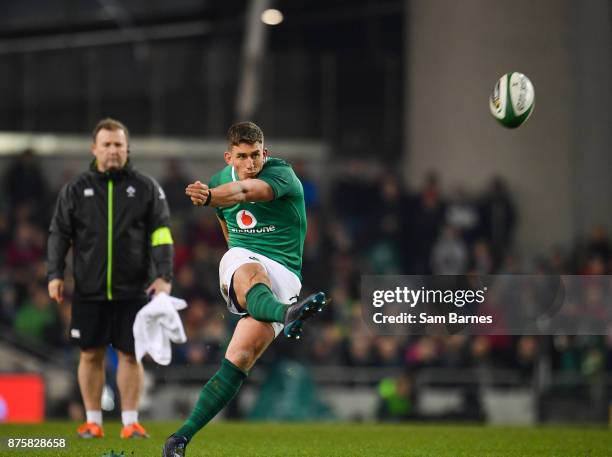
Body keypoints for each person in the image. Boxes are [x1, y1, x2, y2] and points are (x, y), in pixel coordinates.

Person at [163, 121, 327, 456]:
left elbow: (244, 193)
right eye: (242, 156)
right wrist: (233, 264)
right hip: (242, 257)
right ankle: (289, 314)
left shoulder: (281, 175)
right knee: (249, 268)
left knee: (240, 357)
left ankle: (178, 439)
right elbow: (227, 226)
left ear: (265, 153)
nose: (250, 163)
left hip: (285, 275)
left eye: (256, 155)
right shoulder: (219, 181)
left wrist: (209, 197)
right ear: (229, 157)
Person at [47, 118, 174, 439]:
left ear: (127, 148)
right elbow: (59, 235)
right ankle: (93, 422)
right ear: (95, 149)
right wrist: (54, 274)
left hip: (133, 290)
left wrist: (164, 276)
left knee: (131, 355)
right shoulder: (75, 190)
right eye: (107, 144)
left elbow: (161, 234)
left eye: (118, 144)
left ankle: (130, 422)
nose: (113, 150)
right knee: (90, 354)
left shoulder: (146, 188)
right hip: (88, 290)